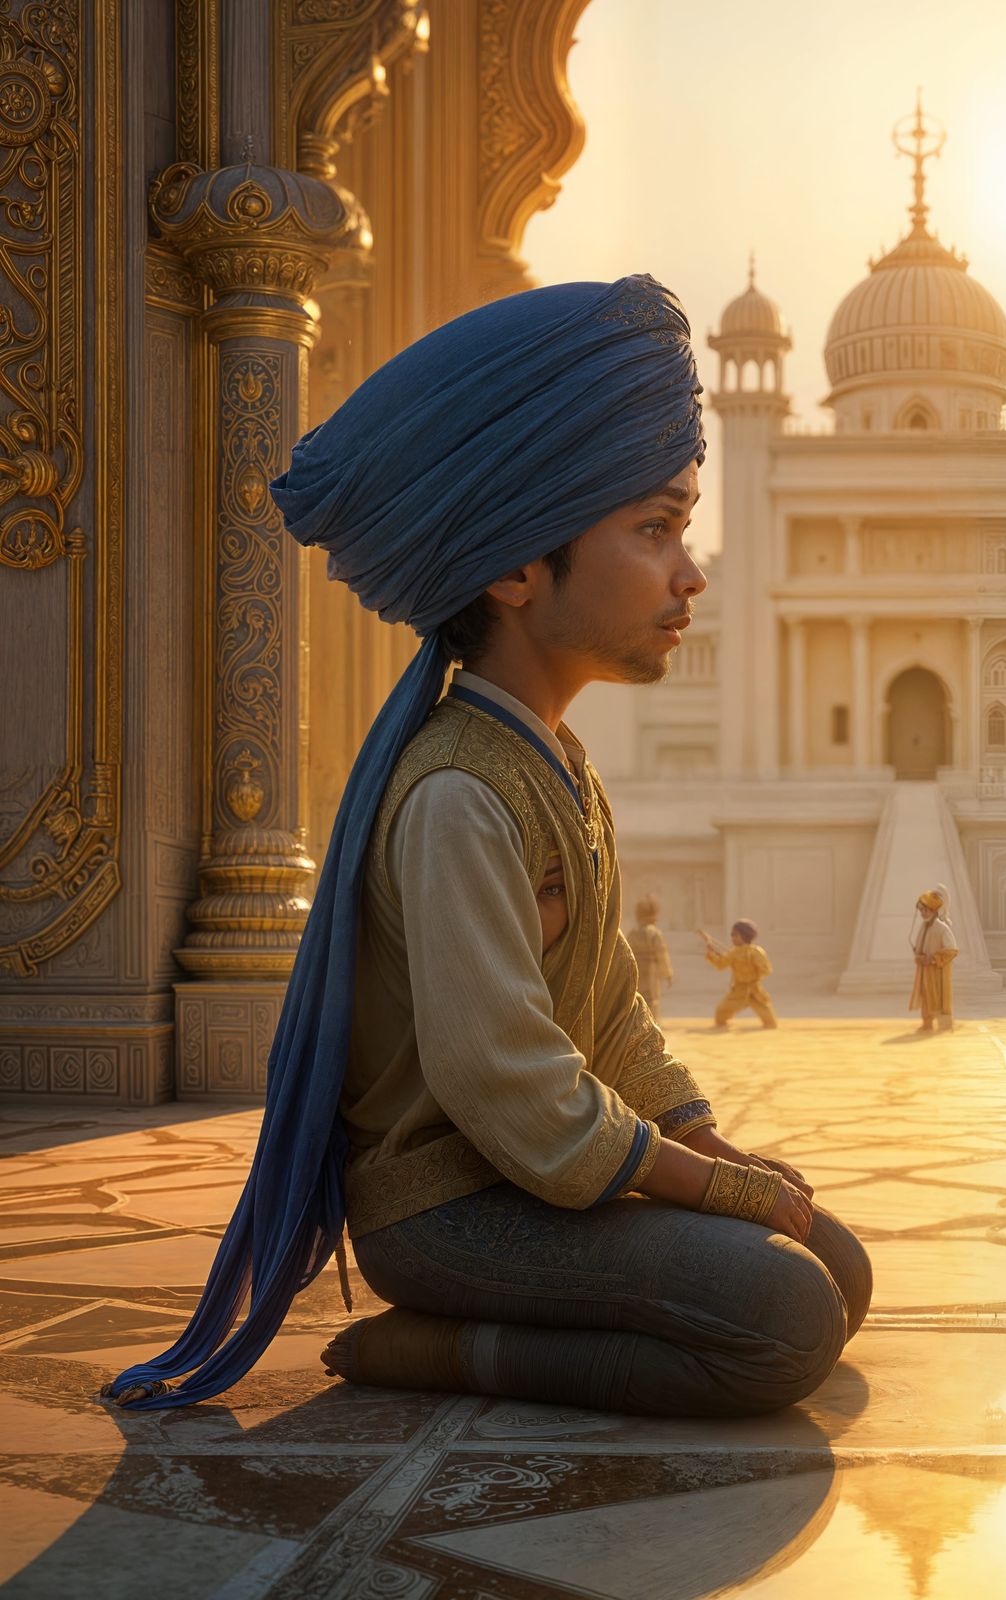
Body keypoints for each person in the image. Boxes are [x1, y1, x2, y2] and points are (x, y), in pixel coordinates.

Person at [103, 275, 869, 1418]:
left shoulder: (557, 767)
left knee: (838, 1268)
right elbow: (504, 1081)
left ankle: (513, 1322)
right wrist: (707, 1187)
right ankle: (437, 1347)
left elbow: (610, 1016)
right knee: (785, 1319)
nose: (690, 573)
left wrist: (719, 1152)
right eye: (653, 530)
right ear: (517, 567)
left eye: (684, 529)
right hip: (452, 1209)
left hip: (538, 1179)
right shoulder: (460, 792)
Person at [704, 920, 779, 1029]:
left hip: (755, 992)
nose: (732, 937)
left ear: (744, 936)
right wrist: (711, 954)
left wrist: (753, 966)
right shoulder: (734, 953)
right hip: (738, 991)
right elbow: (721, 964)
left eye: (735, 935)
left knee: (770, 1023)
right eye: (732, 935)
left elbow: (766, 970)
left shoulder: (757, 952)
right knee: (720, 1015)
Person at [909, 884, 959, 1032]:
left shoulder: (942, 928)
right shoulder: (924, 927)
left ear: (933, 910)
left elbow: (952, 950)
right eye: (922, 910)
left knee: (940, 997)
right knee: (926, 996)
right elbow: (920, 947)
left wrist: (933, 959)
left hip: (938, 971)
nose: (923, 913)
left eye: (926, 910)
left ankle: (944, 1026)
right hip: (925, 971)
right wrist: (919, 956)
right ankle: (927, 1023)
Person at [626, 894, 673, 1016]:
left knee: (637, 998)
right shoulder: (655, 933)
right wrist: (667, 974)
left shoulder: (632, 933)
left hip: (636, 971)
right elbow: (661, 953)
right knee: (652, 998)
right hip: (651, 970)